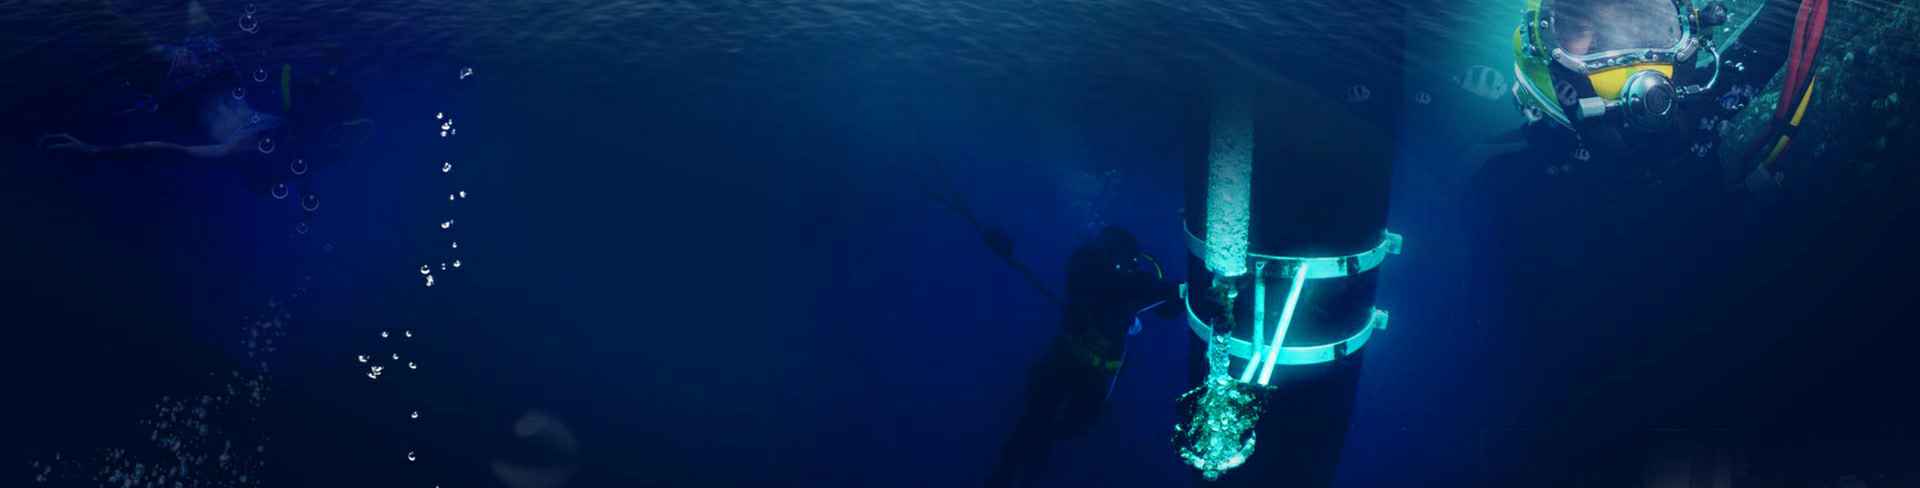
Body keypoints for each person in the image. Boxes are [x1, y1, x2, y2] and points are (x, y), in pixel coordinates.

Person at [985, 226, 1181, 488]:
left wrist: (1175, 293)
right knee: (1037, 426)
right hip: (1072, 366)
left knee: (1049, 428)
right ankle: (1011, 474)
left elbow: (1167, 303)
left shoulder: (1109, 276)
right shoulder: (1096, 272)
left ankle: (1018, 472)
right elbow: (1151, 296)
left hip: (1079, 369)